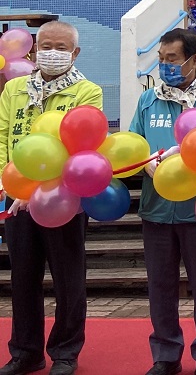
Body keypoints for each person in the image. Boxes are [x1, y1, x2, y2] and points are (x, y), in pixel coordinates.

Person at [129, 28, 196, 375]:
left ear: (194, 60)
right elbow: (134, 145)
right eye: (161, 59)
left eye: (171, 59)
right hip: (156, 208)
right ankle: (165, 354)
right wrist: (147, 164)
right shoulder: (149, 100)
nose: (164, 65)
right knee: (160, 285)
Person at [0, 22, 102, 375]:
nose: (52, 51)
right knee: (22, 278)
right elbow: (2, 136)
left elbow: (83, 146)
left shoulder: (87, 92)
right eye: (46, 45)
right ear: (33, 50)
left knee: (68, 278)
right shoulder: (14, 88)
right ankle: (25, 352)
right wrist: (8, 184)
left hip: (64, 198)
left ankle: (65, 352)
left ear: (74, 53)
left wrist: (41, 189)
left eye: (61, 46)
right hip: (14, 199)